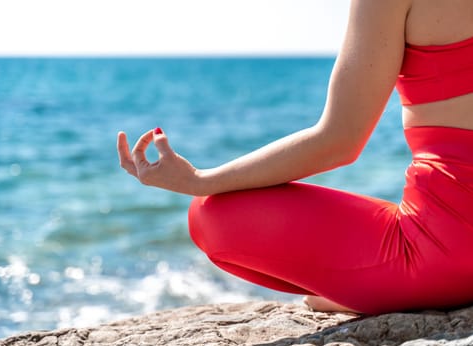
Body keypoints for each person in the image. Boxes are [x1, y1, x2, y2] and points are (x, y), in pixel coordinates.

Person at [117, 0, 473, 315]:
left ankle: (381, 292)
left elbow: (340, 140)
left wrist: (199, 180)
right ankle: (377, 287)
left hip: (451, 254)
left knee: (209, 214)